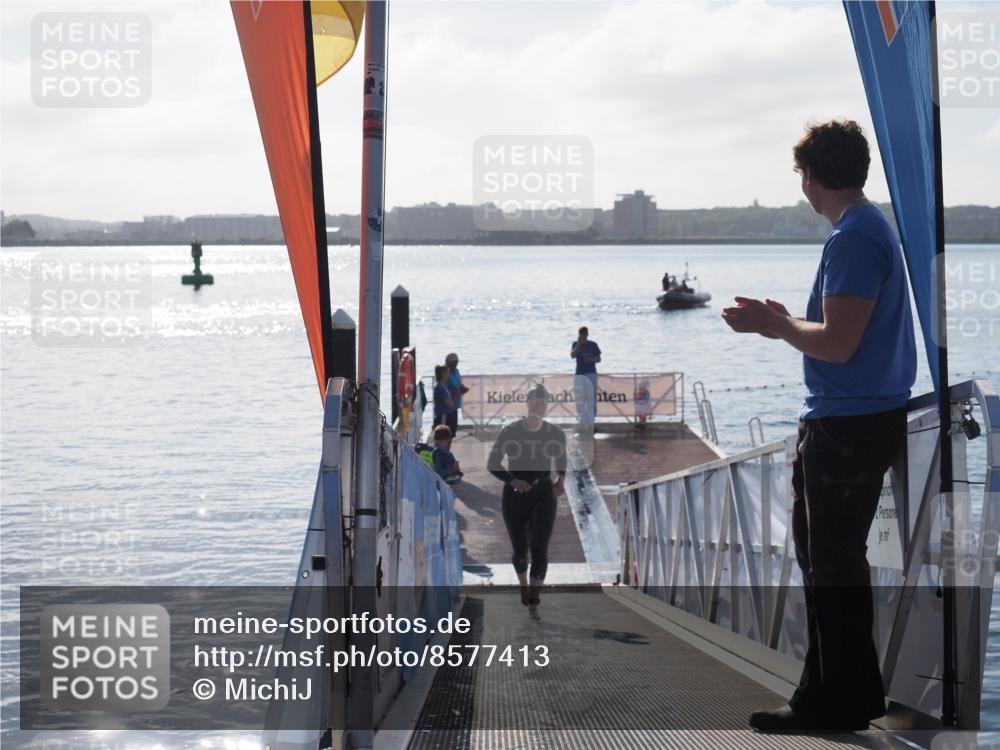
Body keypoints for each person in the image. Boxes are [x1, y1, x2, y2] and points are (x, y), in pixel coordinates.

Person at [722, 119, 916, 732]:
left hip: (847, 426)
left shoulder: (853, 238)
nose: (801, 187)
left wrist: (773, 326)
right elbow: (841, 336)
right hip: (855, 419)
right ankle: (835, 695)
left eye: (801, 175)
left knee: (831, 563)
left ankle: (835, 701)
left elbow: (837, 345)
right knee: (828, 561)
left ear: (813, 177)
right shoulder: (866, 229)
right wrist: (785, 320)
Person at [487, 384, 567, 607]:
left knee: (540, 547)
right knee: (520, 551)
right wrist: (512, 480)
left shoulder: (556, 433)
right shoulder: (511, 431)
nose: (539, 406)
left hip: (544, 493)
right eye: (535, 402)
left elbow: (561, 460)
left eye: (543, 403)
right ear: (527, 403)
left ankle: (534, 596)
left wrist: (562, 479)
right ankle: (523, 584)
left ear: (547, 406)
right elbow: (492, 463)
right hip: (515, 495)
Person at [570, 326, 601, 428]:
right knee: (580, 398)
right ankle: (583, 421)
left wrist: (591, 360)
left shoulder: (593, 345)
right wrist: (579, 345)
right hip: (580, 374)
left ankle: (591, 421)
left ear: (587, 334)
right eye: (581, 335)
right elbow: (572, 355)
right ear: (579, 335)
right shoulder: (575, 344)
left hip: (591, 373)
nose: (583, 336)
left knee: (591, 398)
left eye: (585, 334)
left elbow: (599, 359)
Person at [444, 353, 469, 436]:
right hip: (446, 407)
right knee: (446, 431)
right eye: (454, 362)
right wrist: (454, 393)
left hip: (454, 405)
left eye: (456, 362)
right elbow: (442, 390)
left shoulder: (456, 371)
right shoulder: (444, 373)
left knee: (453, 430)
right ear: (448, 362)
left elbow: (459, 383)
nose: (456, 364)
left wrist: (463, 388)